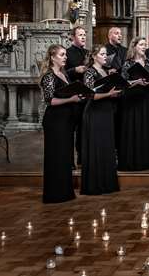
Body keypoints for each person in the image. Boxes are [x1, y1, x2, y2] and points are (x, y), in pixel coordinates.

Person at [39, 44, 80, 203]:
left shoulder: (63, 74)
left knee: (65, 156)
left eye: (65, 55)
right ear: (52, 57)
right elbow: (50, 100)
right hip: (55, 120)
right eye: (62, 55)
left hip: (66, 119)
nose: (65, 57)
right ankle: (54, 193)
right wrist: (71, 99)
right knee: (56, 156)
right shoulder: (49, 76)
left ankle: (65, 191)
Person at [81, 46, 122, 195]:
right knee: (97, 146)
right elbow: (89, 95)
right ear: (94, 56)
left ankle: (106, 182)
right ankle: (96, 184)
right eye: (103, 54)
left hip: (106, 111)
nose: (106, 57)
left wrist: (115, 93)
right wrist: (109, 94)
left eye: (106, 54)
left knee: (106, 145)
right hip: (95, 112)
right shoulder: (90, 72)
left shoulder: (105, 71)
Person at [118, 37, 149, 171]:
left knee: (146, 128)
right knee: (134, 128)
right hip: (132, 99)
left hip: (147, 98)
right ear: (134, 47)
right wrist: (137, 82)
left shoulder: (148, 62)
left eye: (145, 44)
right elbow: (123, 82)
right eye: (141, 44)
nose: (144, 47)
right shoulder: (128, 64)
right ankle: (134, 160)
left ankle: (147, 160)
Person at [65, 25, 88, 166]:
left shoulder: (87, 52)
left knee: (83, 128)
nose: (84, 37)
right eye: (80, 35)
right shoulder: (66, 53)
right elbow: (61, 73)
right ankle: (70, 161)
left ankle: (81, 157)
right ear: (73, 37)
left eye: (84, 34)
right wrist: (75, 70)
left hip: (86, 93)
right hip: (73, 95)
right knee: (72, 129)